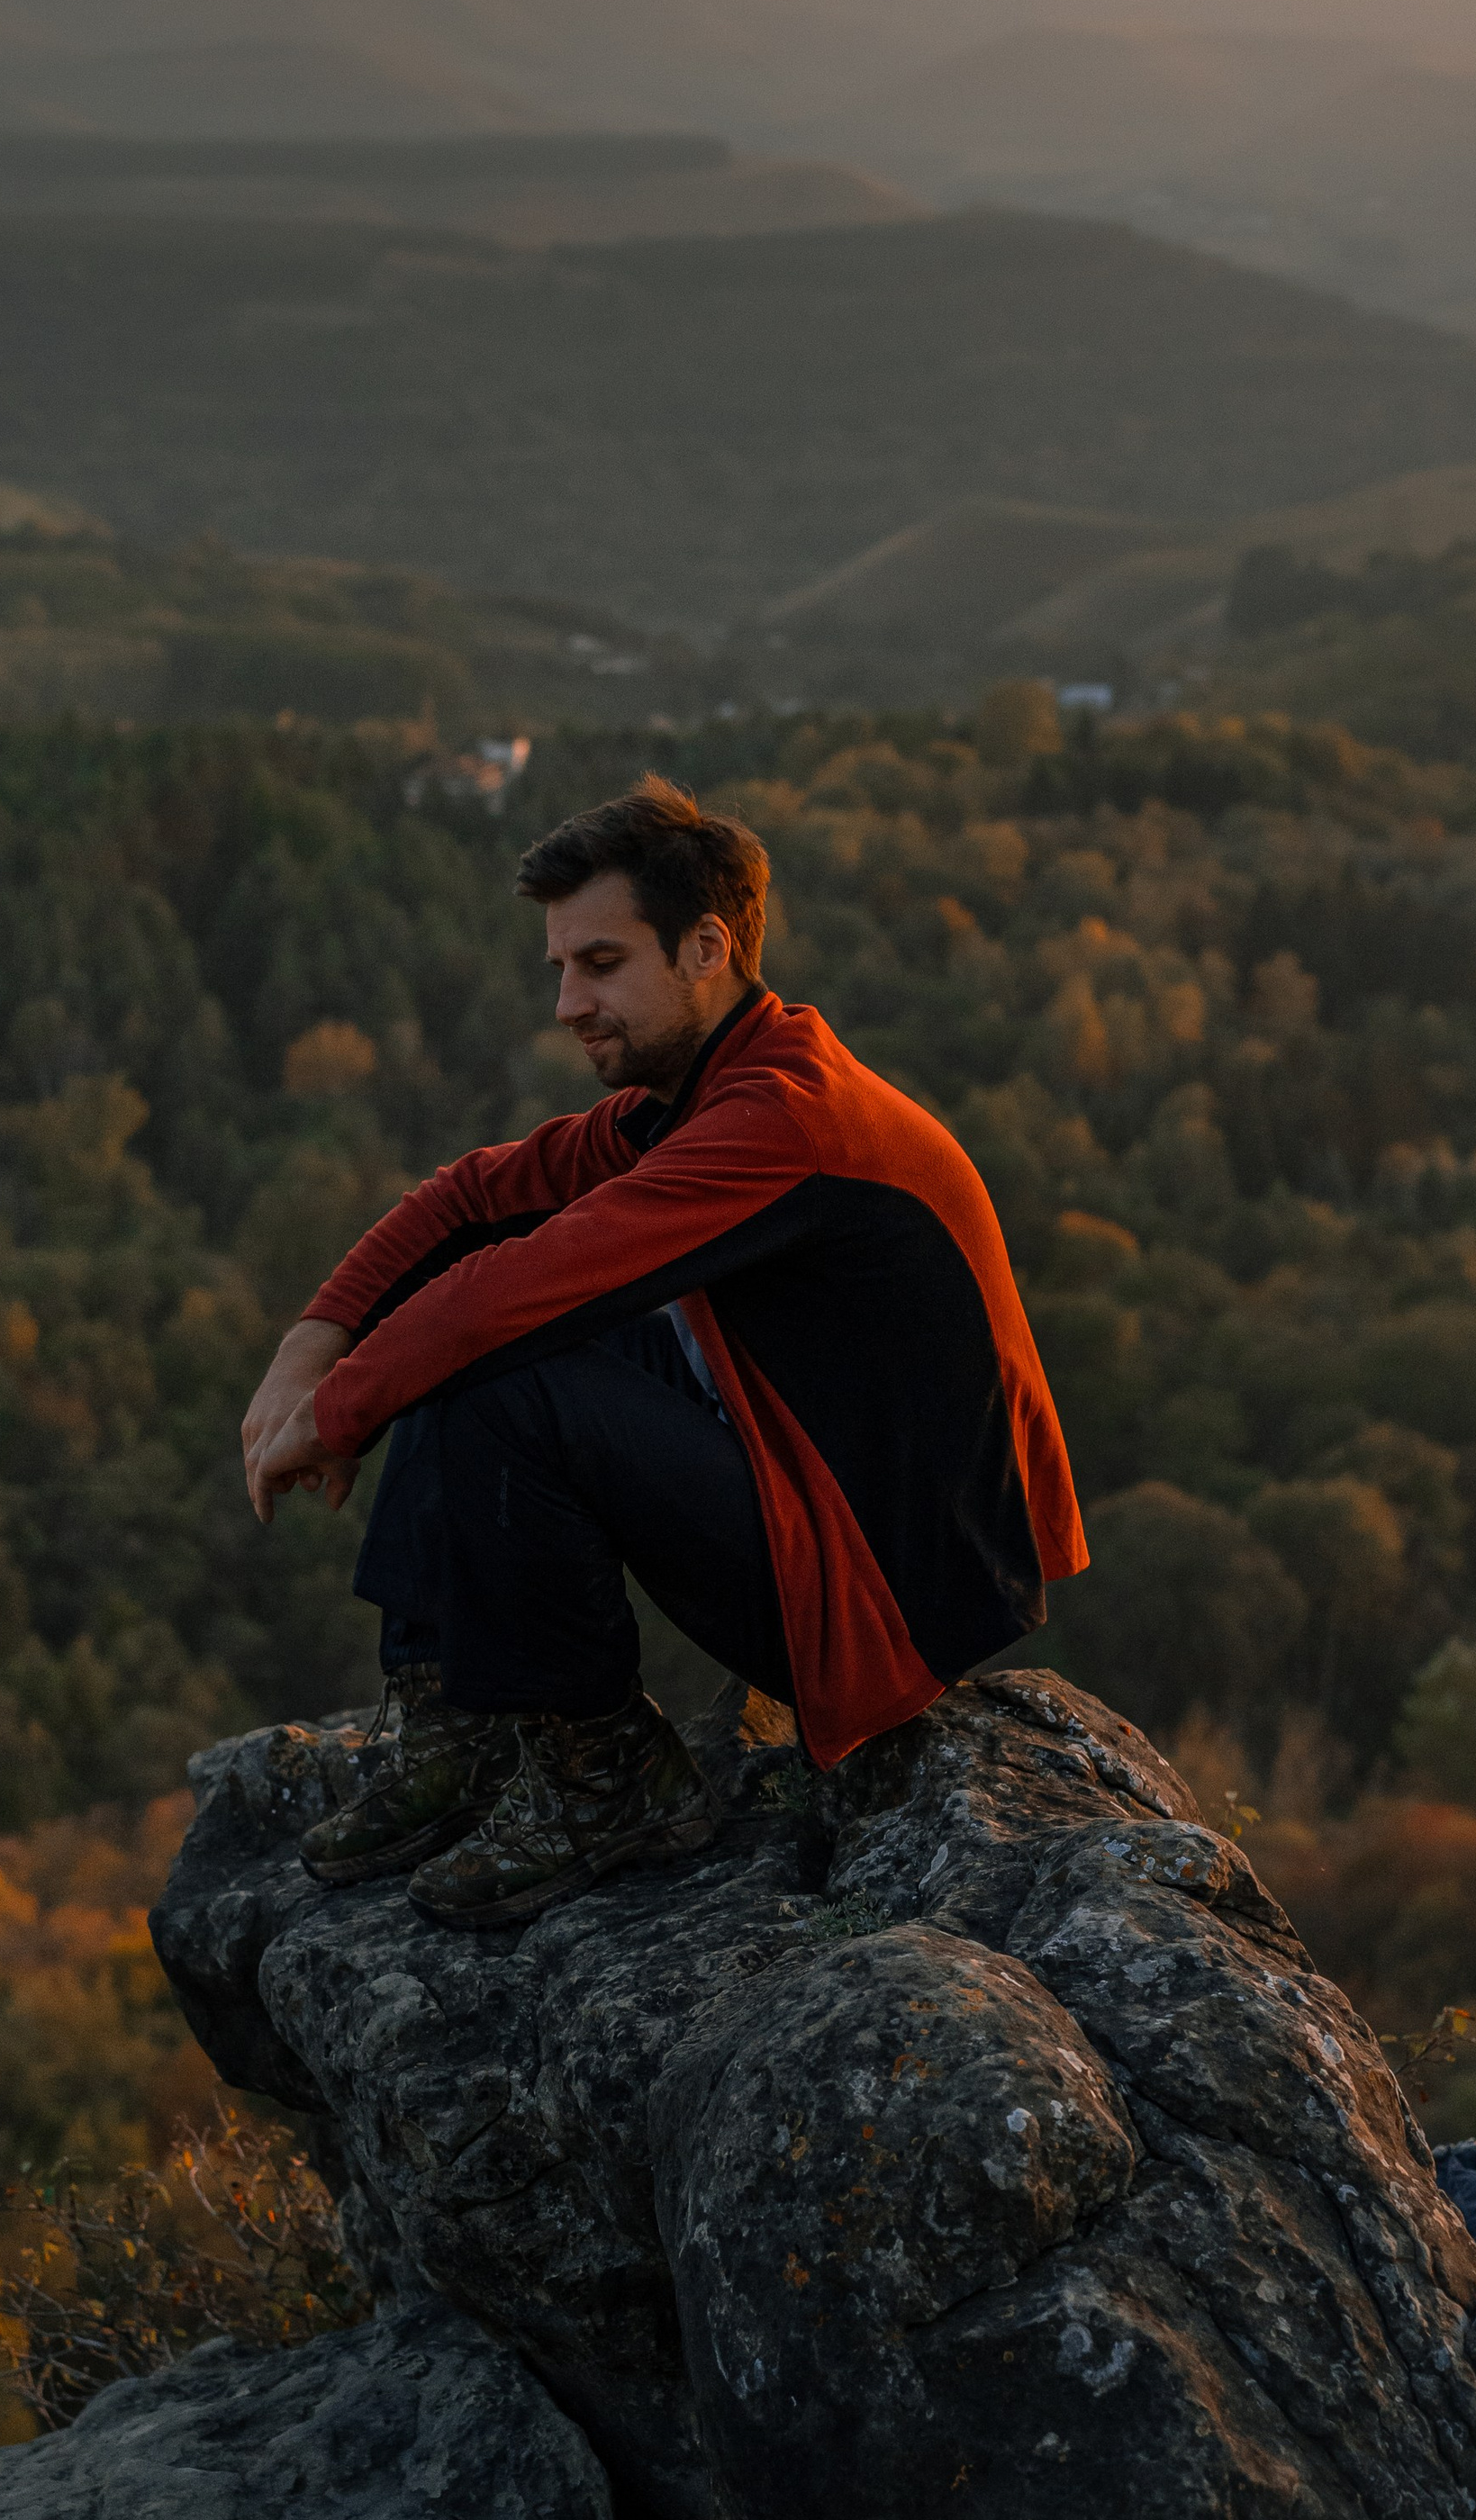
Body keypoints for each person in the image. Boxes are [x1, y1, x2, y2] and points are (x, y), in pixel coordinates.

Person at [241, 773, 1086, 1929]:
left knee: (504, 1362)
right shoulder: (701, 1092)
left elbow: (513, 1292)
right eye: (559, 968)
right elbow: (475, 1199)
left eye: (600, 965)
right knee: (467, 1328)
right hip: (818, 1489)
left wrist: (337, 1414)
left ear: (706, 949)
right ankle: (462, 1728)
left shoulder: (780, 1120)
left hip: (885, 1595)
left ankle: (610, 1781)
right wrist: (310, 1350)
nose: (567, 1004)